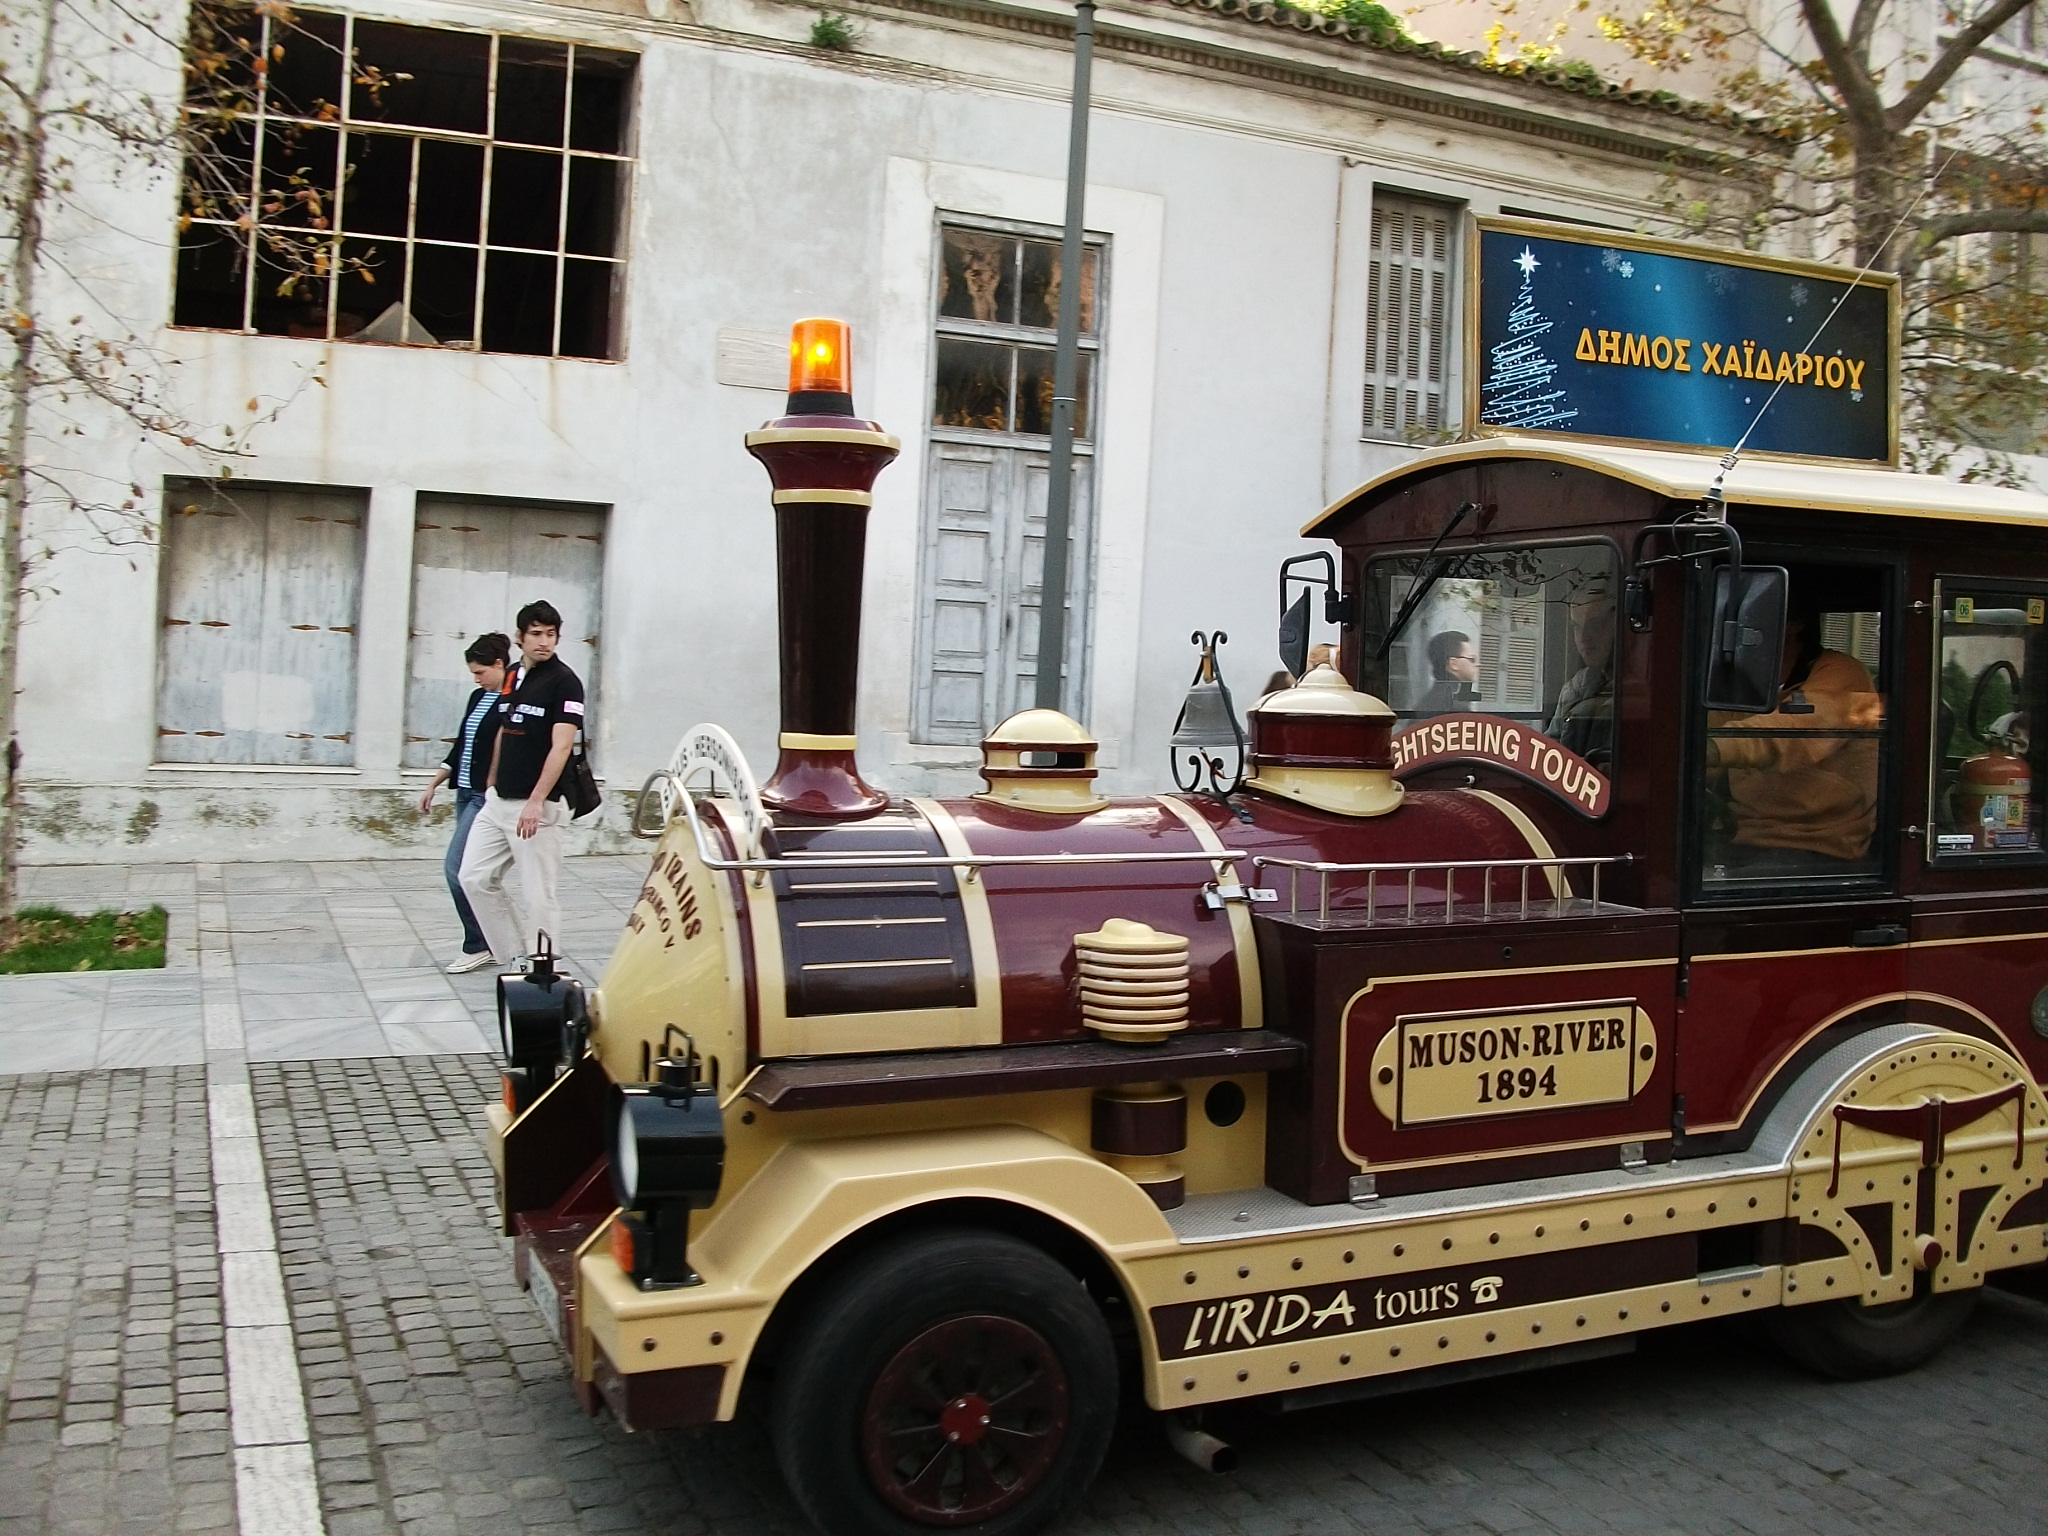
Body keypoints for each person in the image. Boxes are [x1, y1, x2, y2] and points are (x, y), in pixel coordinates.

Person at [1706, 596, 1882, 876]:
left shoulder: (1842, 674)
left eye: (1746, 615)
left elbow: (1793, 732)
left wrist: (1713, 748)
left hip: (1813, 846)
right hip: (1740, 835)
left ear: (1794, 624)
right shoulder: (1743, 682)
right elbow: (1706, 753)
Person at [459, 601, 586, 964]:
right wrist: (492, 781)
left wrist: (535, 801)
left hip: (539, 806)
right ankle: (513, 957)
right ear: (520, 637)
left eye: (551, 634)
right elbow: (505, 727)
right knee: (474, 878)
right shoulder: (513, 675)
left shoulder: (565, 682)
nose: (544, 641)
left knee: (538, 895)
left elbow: (562, 746)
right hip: (500, 800)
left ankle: (542, 970)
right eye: (536, 634)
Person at [417, 633, 511, 972]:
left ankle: (479, 944)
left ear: (499, 664)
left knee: (457, 869)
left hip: (485, 798)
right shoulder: (477, 697)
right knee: (475, 872)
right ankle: (493, 941)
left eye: (480, 672)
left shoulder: (511, 701)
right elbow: (462, 747)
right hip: (465, 793)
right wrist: (433, 784)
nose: (476, 679)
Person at [1546, 589, 1616, 760]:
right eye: (1576, 626)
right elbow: (1549, 750)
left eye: (1596, 625)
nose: (1584, 638)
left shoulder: (1637, 691)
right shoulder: (1575, 688)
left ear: (1617, 626)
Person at [1414, 629, 1478, 718]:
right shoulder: (1452, 702)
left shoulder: (1435, 698)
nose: (1478, 664)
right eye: (1472, 659)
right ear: (1453, 664)